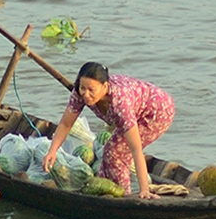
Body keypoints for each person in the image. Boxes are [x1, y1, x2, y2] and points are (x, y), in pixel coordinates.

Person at [42, 62, 176, 199]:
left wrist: (144, 190)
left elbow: (135, 149)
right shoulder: (79, 93)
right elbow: (65, 124)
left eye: (91, 90)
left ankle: (124, 197)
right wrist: (52, 151)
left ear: (105, 86)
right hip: (136, 107)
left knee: (115, 152)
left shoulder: (120, 103)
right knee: (109, 153)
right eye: (83, 88)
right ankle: (106, 189)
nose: (86, 95)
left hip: (157, 111)